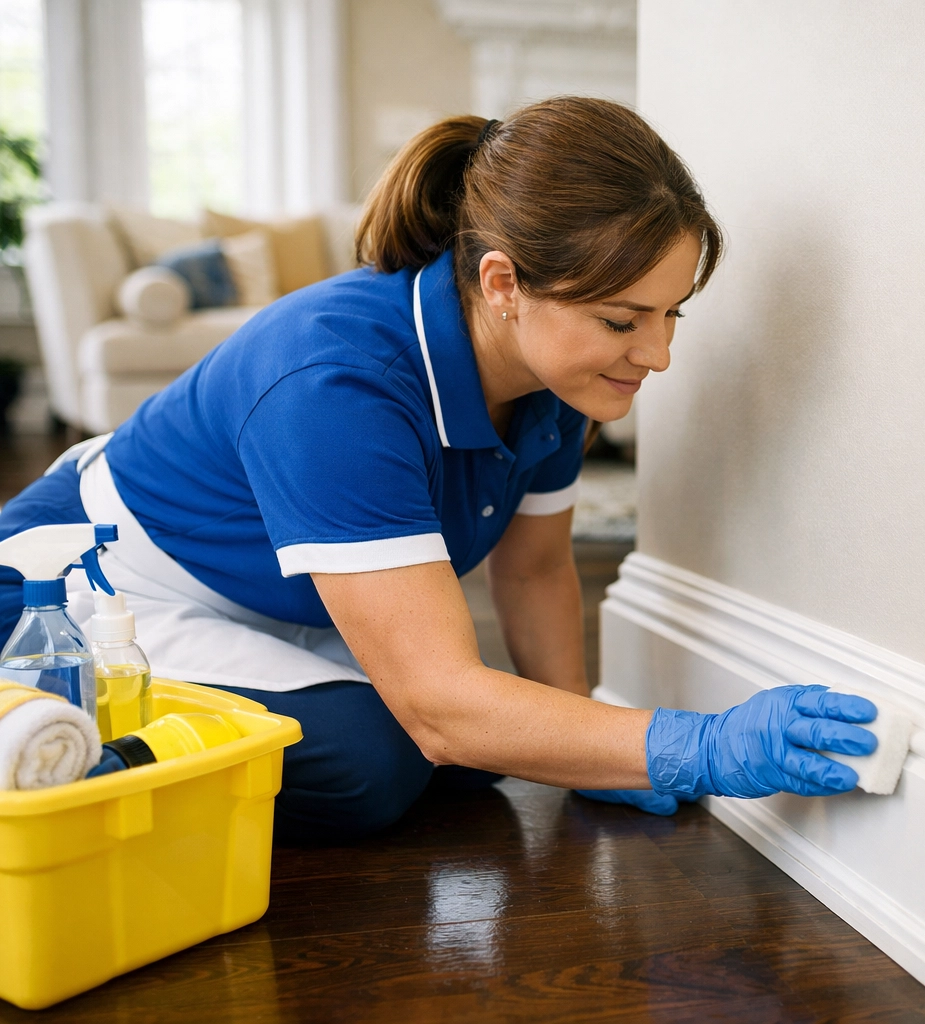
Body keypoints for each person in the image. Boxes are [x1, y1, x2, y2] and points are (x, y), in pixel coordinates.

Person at [0, 98, 877, 843]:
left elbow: (532, 570)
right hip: (89, 595)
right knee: (377, 758)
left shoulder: (556, 380)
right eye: (623, 320)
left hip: (270, 599)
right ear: (503, 283)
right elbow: (444, 709)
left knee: (474, 756)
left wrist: (592, 742)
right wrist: (695, 745)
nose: (657, 354)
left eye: (669, 315)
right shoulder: (334, 382)